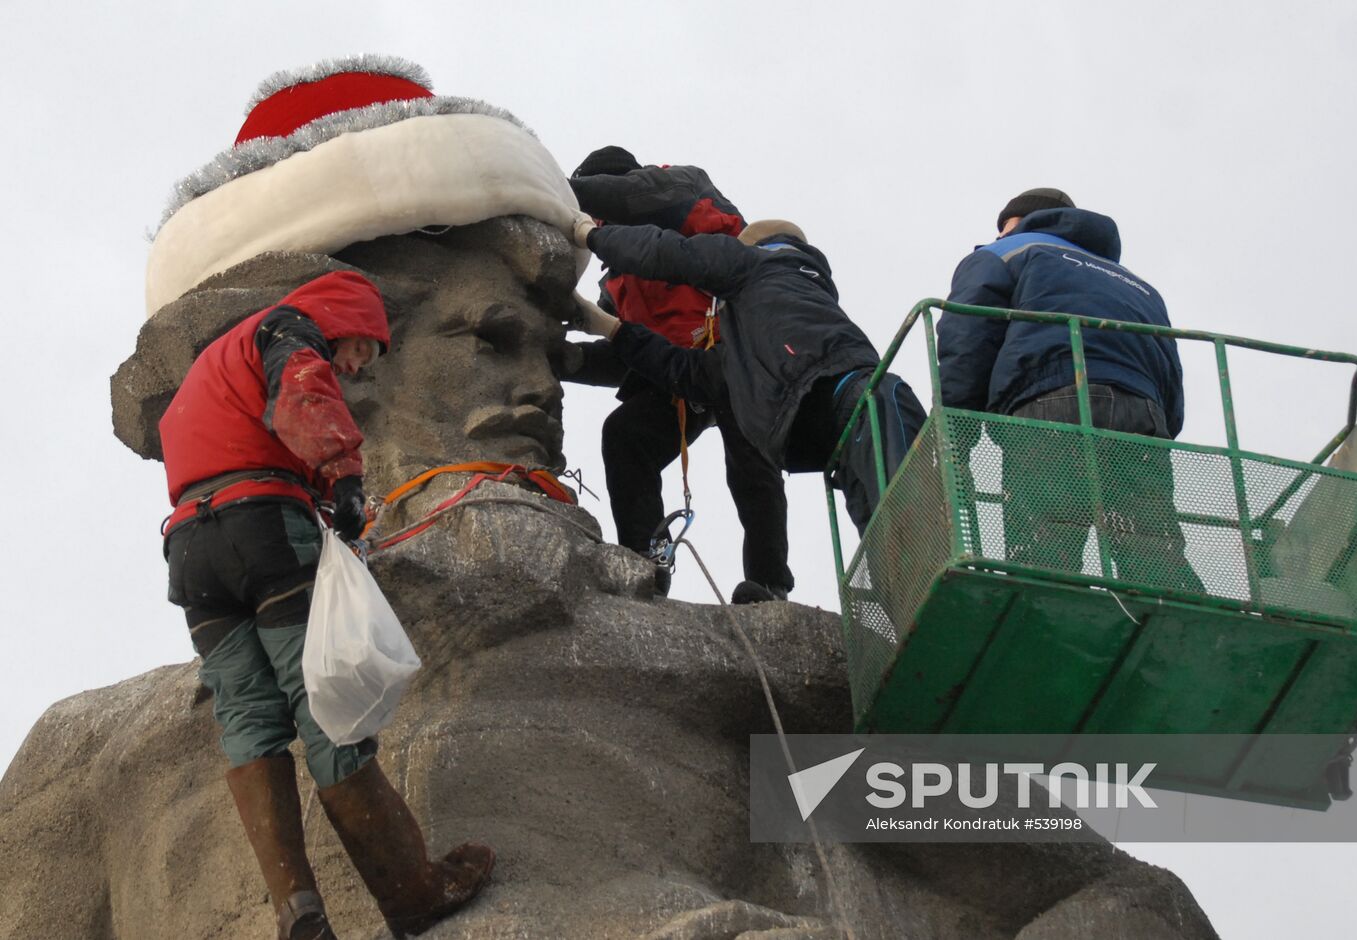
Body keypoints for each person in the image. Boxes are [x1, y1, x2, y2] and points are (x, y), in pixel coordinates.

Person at [160, 270, 494, 940]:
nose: (356, 367)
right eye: (362, 350)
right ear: (344, 318)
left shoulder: (217, 363)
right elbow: (303, 389)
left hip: (191, 553)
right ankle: (413, 893)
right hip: (262, 534)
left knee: (249, 722)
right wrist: (343, 480)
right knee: (326, 706)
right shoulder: (286, 330)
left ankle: (298, 912)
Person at [566, 215, 927, 541]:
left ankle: (912, 586)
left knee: (893, 523)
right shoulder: (755, 335)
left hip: (818, 419)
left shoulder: (760, 263)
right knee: (897, 509)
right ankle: (925, 583)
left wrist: (591, 235)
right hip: (830, 411)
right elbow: (689, 371)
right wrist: (612, 328)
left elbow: (667, 252)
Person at [937, 188, 1203, 592]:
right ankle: (1183, 641)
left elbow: (968, 338)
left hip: (1049, 401)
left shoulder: (1005, 252)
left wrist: (958, 429)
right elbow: (1169, 369)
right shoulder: (1137, 284)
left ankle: (1043, 639)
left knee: (1044, 556)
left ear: (1016, 222)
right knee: (1153, 556)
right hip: (1143, 414)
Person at [564, 147, 793, 603]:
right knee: (626, 434)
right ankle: (644, 563)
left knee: (749, 459)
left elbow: (628, 197)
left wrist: (549, 191)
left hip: (736, 348)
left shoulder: (676, 188)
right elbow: (628, 351)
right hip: (680, 376)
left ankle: (770, 583)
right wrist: (567, 360)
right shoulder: (618, 280)